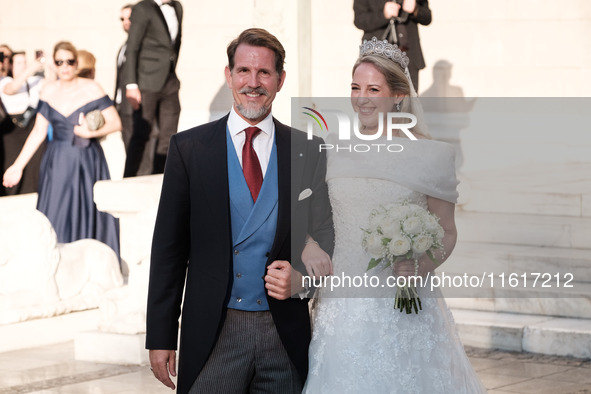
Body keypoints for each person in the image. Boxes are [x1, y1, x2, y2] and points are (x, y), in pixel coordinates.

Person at [146, 28, 334, 394]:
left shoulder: (308, 149)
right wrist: (161, 335)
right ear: (229, 75)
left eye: (264, 72)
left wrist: (303, 280)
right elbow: (168, 249)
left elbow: (326, 231)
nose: (254, 82)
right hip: (214, 332)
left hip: (284, 334)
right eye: (244, 71)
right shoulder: (189, 149)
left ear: (280, 80)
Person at [303, 38, 486, 393]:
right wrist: (308, 243)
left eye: (374, 88)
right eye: (355, 88)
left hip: (403, 302)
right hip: (340, 303)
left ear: (398, 95)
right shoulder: (333, 148)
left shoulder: (429, 155)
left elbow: (447, 231)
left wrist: (422, 263)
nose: (362, 98)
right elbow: (310, 215)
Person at [2, 41, 121, 259]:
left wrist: (89, 133)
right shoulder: (48, 89)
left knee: (86, 209)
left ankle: (90, 261)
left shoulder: (91, 87)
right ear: (54, 65)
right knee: (55, 210)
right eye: (59, 62)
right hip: (56, 160)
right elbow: (38, 131)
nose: (65, 66)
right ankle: (55, 262)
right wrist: (17, 167)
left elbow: (115, 122)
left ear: (76, 63)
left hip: (86, 159)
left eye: (69, 61)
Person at [123, 0, 183, 176]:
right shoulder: (142, 8)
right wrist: (131, 84)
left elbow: (176, 43)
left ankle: (161, 178)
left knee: (170, 134)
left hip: (170, 80)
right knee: (142, 133)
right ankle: (130, 179)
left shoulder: (178, 7)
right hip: (146, 81)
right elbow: (132, 48)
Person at [353, 0, 431, 92]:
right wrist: (383, 14)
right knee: (377, 101)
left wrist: (415, 9)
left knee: (410, 101)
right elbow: (359, 20)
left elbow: (427, 17)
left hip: (408, 56)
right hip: (378, 56)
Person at [0, 51, 47, 195]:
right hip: (11, 131)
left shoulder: (35, 81)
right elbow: (12, 88)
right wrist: (32, 68)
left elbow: (51, 86)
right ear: (11, 65)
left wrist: (48, 65)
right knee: (11, 165)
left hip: (32, 127)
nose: (23, 66)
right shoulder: (5, 81)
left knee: (34, 168)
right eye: (19, 63)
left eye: (25, 62)